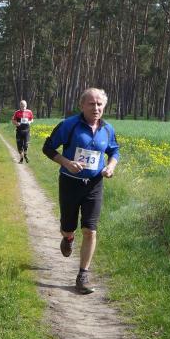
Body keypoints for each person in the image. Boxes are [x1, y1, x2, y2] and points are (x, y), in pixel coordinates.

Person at [42, 88, 119, 294]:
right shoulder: (69, 125)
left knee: (90, 230)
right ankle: (68, 238)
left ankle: (83, 275)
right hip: (70, 183)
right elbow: (48, 148)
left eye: (100, 104)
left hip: (94, 184)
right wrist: (66, 162)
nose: (96, 108)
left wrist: (111, 167)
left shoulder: (107, 129)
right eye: (91, 104)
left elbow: (114, 150)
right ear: (82, 105)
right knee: (68, 227)